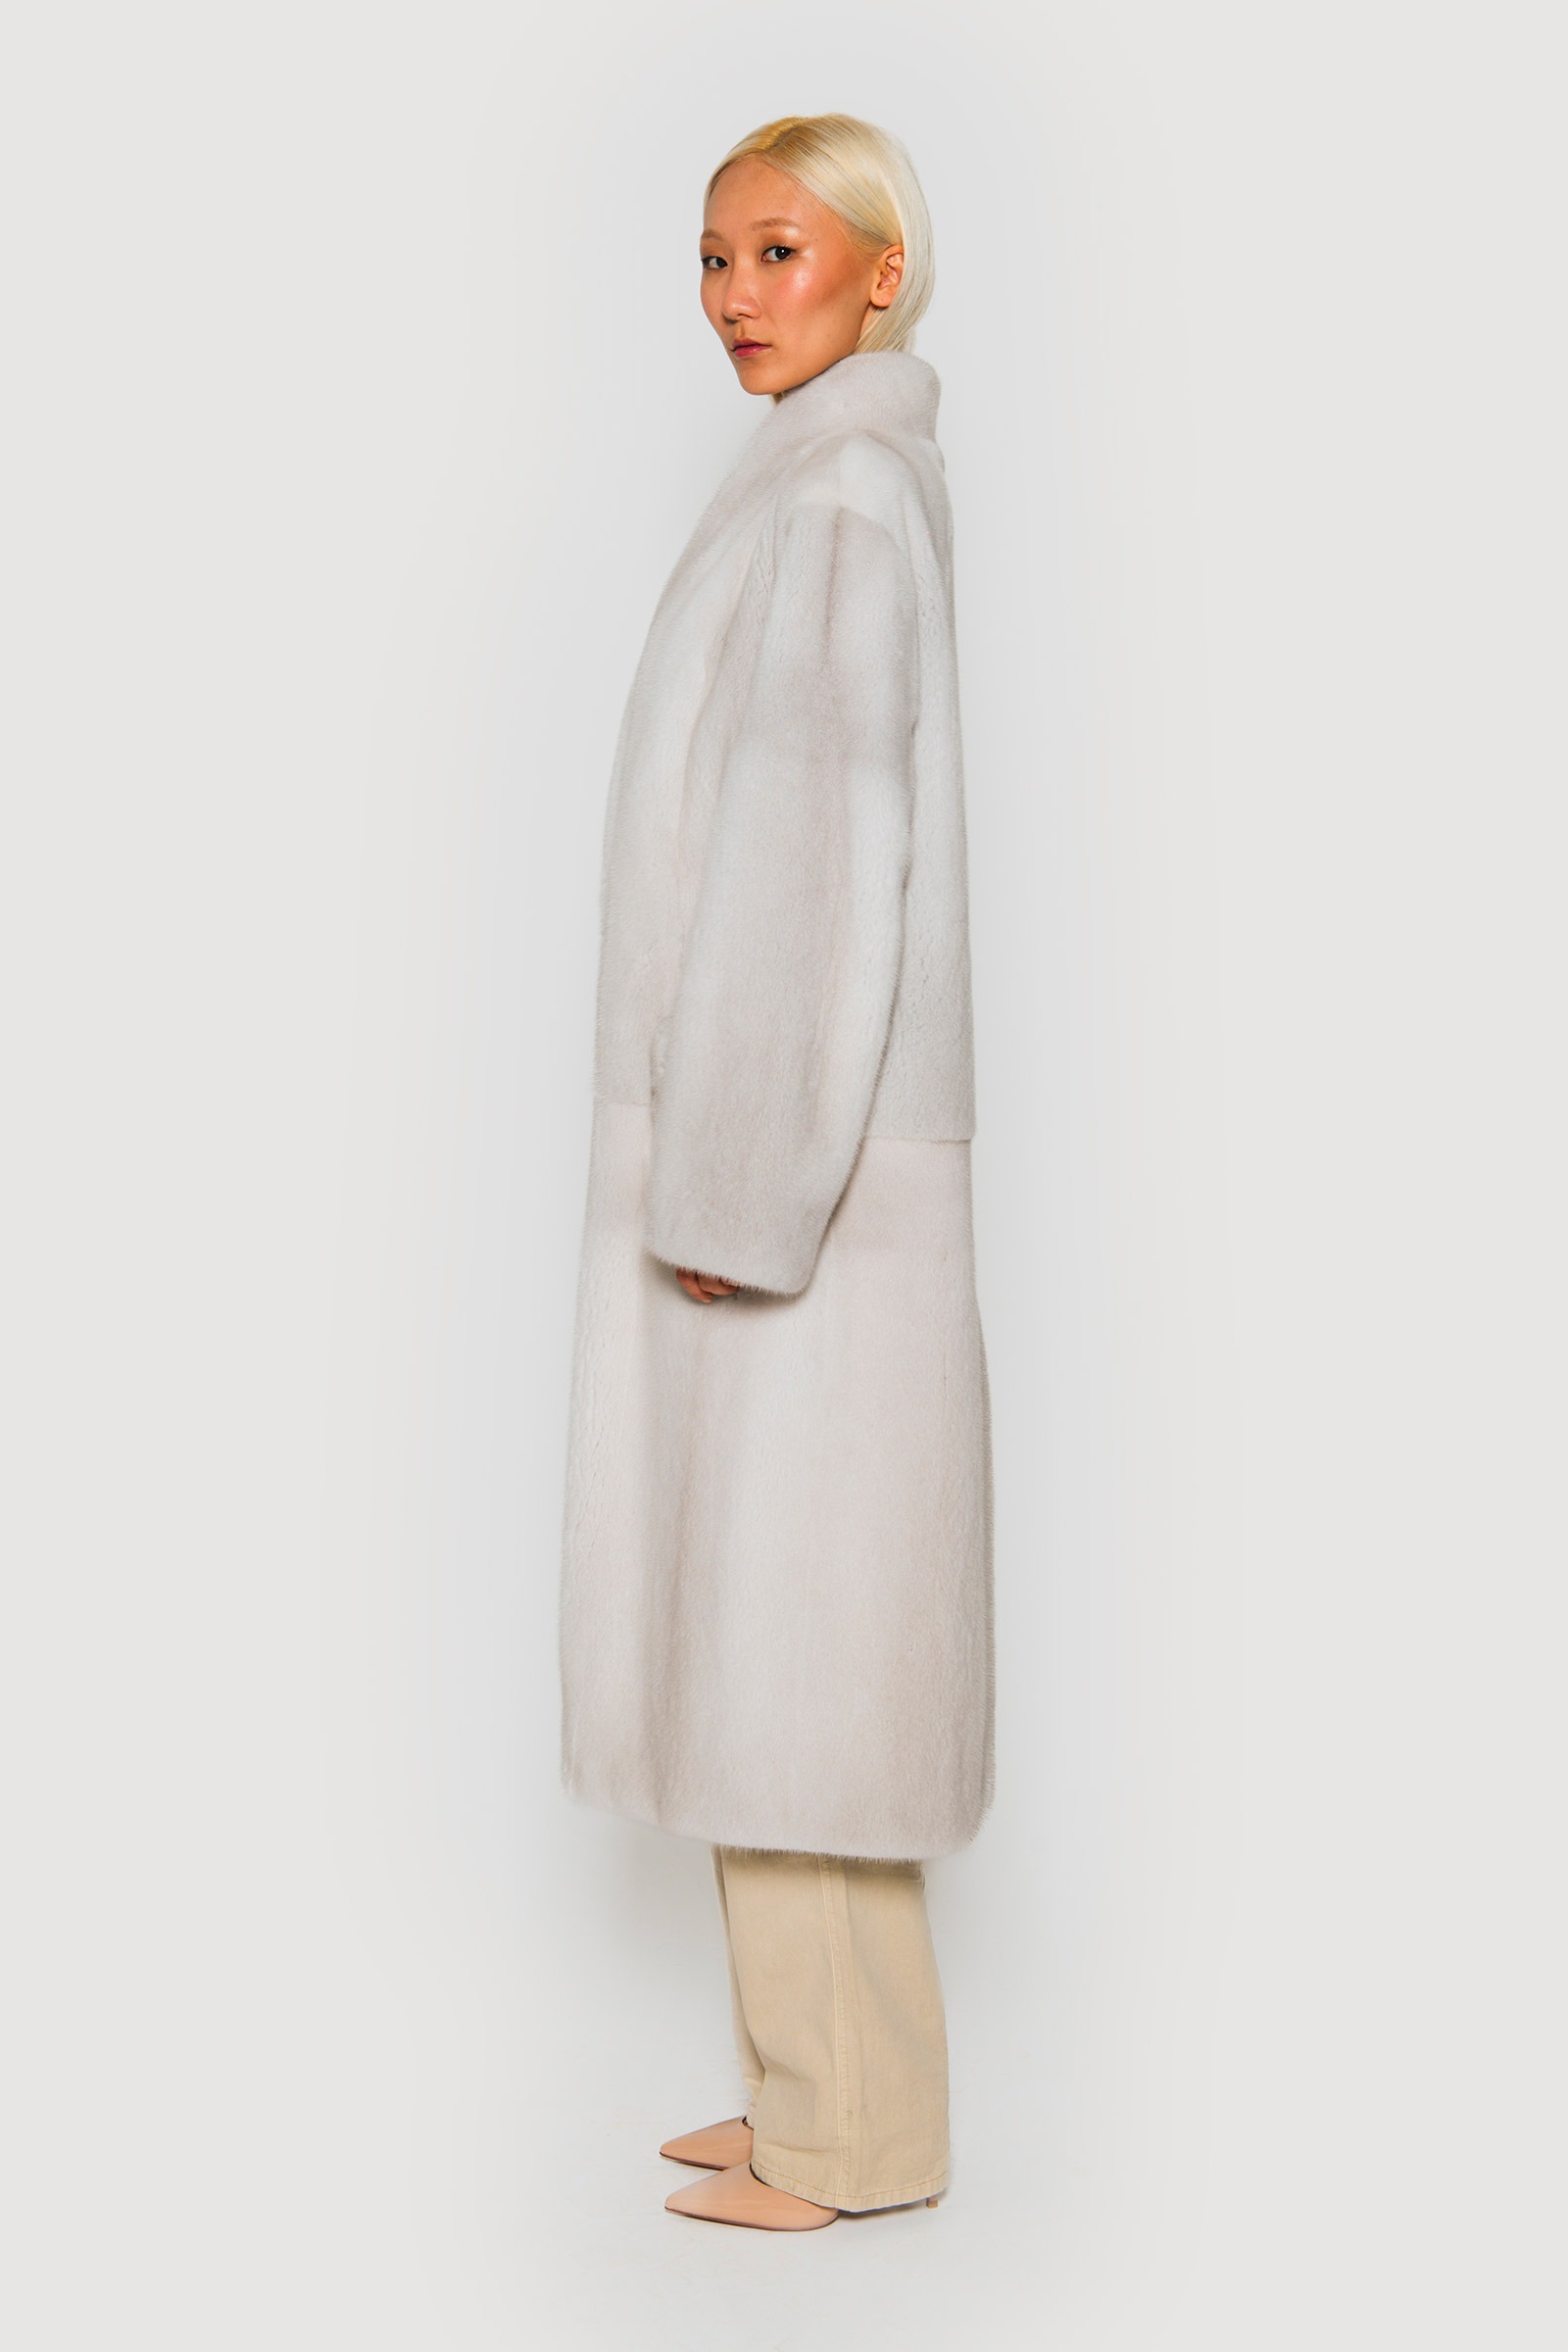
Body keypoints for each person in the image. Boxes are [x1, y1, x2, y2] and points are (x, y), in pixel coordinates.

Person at [559, 112, 994, 2231]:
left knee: (796, 1661)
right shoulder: (825, 478)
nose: (736, 294)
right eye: (714, 259)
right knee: (783, 1653)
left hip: (791, 1188)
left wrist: (735, 1194)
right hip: (799, 1175)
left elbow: (816, 876)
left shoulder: (833, 500)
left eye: (779, 251)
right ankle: (824, 2099)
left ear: (879, 271)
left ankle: (841, 2144)